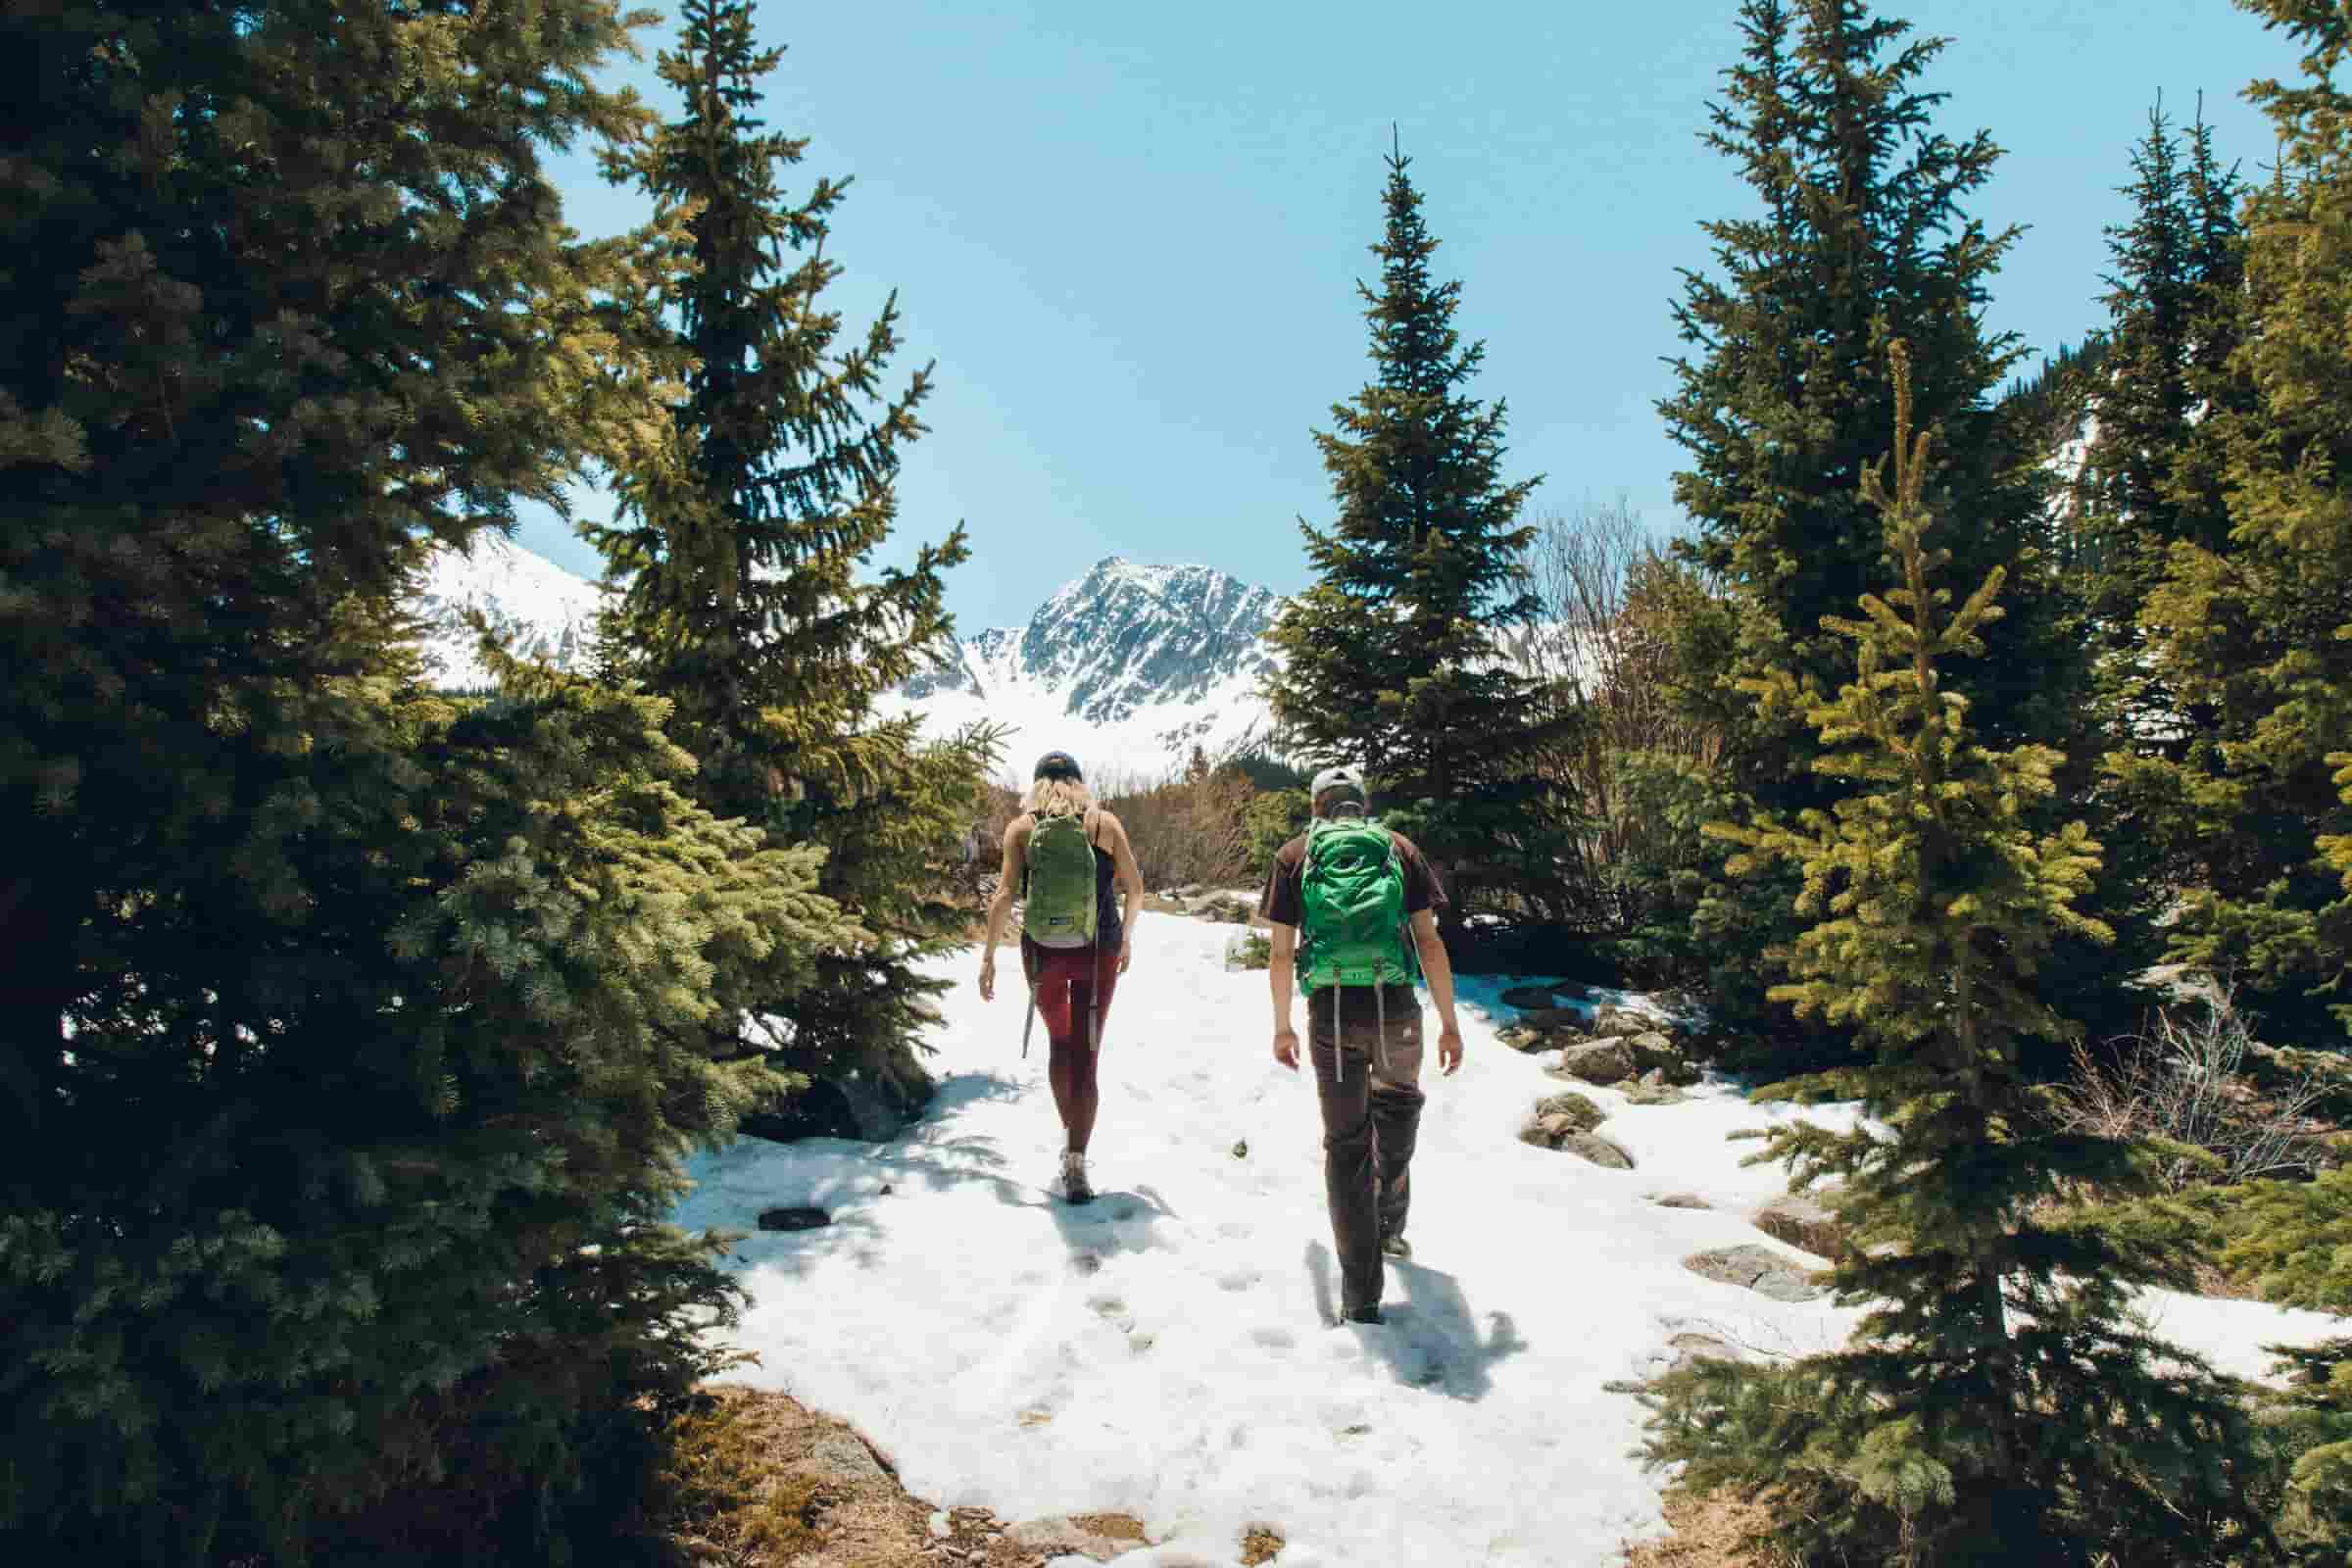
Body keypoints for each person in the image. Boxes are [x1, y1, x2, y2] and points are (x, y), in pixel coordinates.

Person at [1259, 764, 1463, 1326]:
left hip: (1330, 1014)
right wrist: (1448, 1021)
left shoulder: (1296, 854)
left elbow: (1280, 952)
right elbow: (1428, 940)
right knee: (1397, 1112)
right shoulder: (1398, 848)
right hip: (1394, 1005)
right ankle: (1391, 1222)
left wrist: (1282, 1025)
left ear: (1316, 806)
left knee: (1347, 1148)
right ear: (1362, 805)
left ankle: (1361, 1298)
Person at [979, 750, 1146, 1203]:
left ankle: (1069, 1130)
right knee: (1086, 1054)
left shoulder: (1022, 829)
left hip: (1043, 955)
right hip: (1098, 953)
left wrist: (989, 958)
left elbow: (1003, 897)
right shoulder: (1103, 824)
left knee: (1060, 1044)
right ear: (1079, 782)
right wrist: (1125, 936)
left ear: (1036, 784)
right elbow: (1136, 888)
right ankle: (1076, 1158)